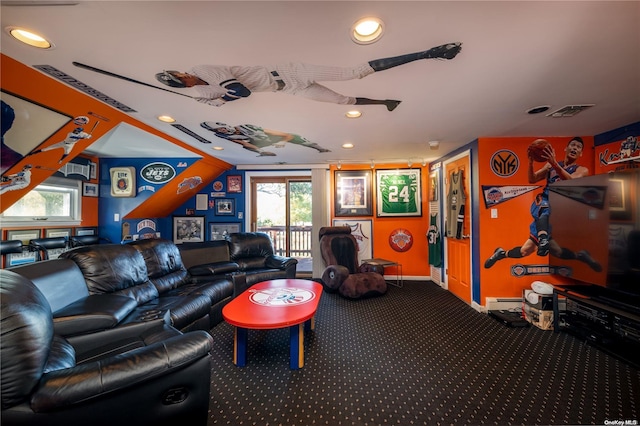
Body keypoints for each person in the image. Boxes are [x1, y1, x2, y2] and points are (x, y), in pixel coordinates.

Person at [156, 42, 462, 111]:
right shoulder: (198, 91)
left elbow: (242, 93)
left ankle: (427, 53)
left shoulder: (204, 71)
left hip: (288, 72)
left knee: (355, 73)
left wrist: (222, 95)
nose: (186, 76)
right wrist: (215, 97)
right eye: (181, 79)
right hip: (285, 89)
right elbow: (218, 100)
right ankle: (385, 102)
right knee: (342, 100)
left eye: (181, 73)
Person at [484, 137, 602, 271]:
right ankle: (539, 240)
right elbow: (532, 179)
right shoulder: (550, 165)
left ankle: (580, 255)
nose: (575, 148)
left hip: (561, 209)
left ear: (581, 153)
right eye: (573, 145)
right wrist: (530, 163)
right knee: (543, 205)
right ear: (566, 148)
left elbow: (569, 181)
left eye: (578, 147)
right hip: (545, 201)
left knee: (539, 251)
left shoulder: (581, 170)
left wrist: (554, 164)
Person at [201, 121, 330, 156]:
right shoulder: (226, 136)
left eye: (221, 129)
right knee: (247, 148)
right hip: (259, 142)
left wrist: (282, 142)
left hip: (271, 138)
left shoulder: (247, 126)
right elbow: (243, 144)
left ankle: (318, 147)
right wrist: (260, 151)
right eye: (218, 131)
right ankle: (261, 152)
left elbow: (286, 135)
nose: (222, 131)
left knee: (294, 136)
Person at [27, 117, 92, 164]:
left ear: (80, 131)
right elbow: (73, 136)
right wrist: (81, 138)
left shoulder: (82, 133)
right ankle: (33, 153)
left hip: (70, 145)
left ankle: (61, 160)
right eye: (75, 130)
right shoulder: (70, 133)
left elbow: (89, 136)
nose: (75, 131)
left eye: (77, 130)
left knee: (66, 153)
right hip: (63, 143)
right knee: (47, 148)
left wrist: (88, 136)